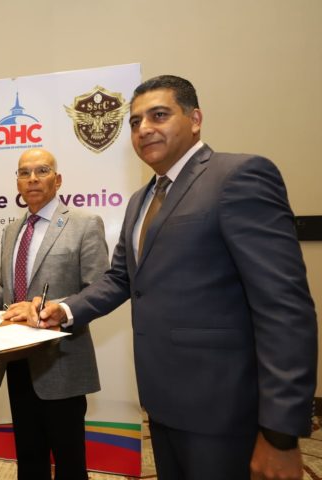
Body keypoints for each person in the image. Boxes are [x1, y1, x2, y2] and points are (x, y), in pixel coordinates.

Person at [37, 75, 317, 480]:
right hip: (162, 403)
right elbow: (121, 278)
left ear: (195, 119)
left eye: (159, 115)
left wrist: (280, 433)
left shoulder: (238, 176)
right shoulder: (140, 200)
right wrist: (62, 310)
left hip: (224, 409)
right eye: (135, 121)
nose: (144, 128)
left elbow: (285, 308)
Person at [0, 148, 109, 480]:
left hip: (61, 361)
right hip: (17, 359)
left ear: (58, 179)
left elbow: (98, 290)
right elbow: (8, 293)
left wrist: (46, 307)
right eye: (24, 173)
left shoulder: (84, 224)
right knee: (29, 458)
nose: (32, 179)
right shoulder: (12, 230)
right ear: (17, 182)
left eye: (41, 171)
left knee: (70, 463)